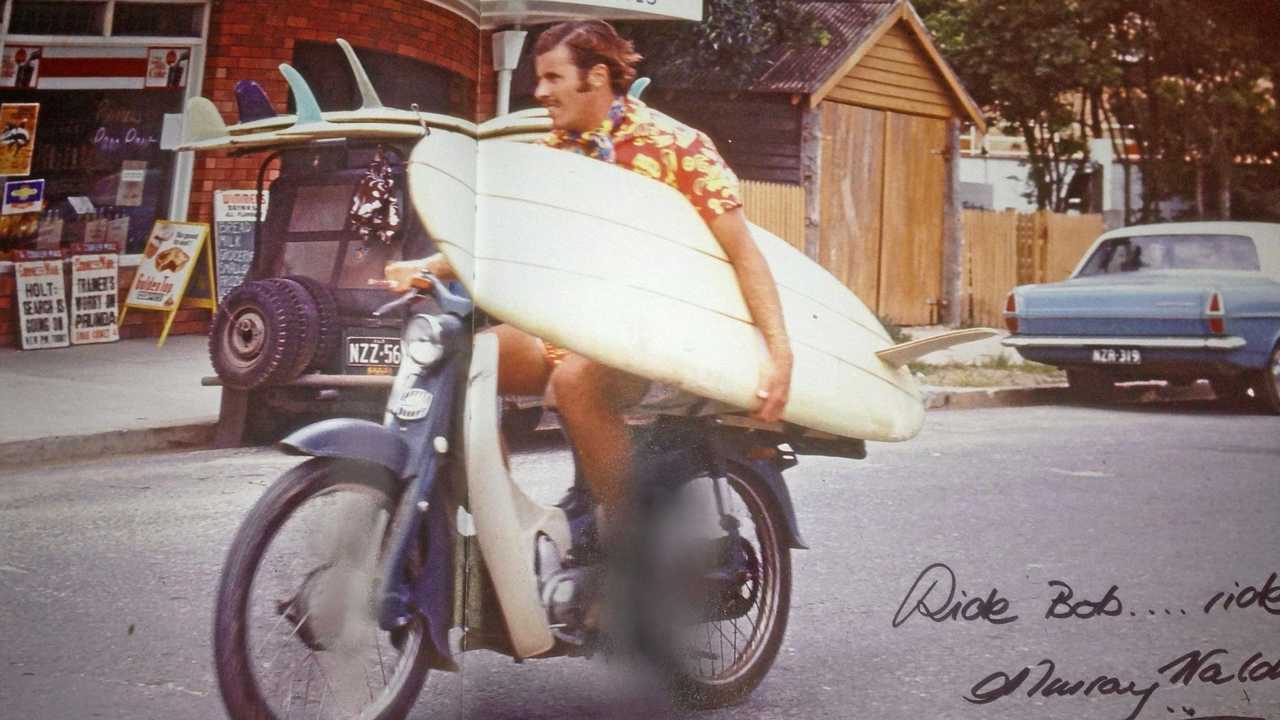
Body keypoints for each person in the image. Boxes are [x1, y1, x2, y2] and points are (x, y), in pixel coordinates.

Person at [385, 19, 793, 531]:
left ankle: (625, 550)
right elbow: (498, 235)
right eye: (541, 79)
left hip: (658, 335)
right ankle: (504, 532)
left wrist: (779, 354)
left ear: (596, 77)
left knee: (577, 381)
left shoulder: (675, 147)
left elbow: (744, 254)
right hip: (572, 330)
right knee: (462, 360)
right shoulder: (555, 152)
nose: (540, 92)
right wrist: (429, 266)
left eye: (553, 78)